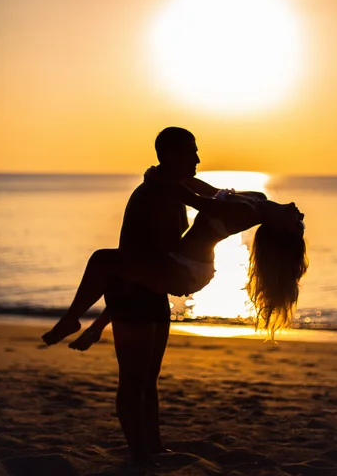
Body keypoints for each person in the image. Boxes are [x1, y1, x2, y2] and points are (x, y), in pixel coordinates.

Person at [42, 130, 307, 462]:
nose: (301, 215)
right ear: (169, 155)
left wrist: (161, 180)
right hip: (164, 277)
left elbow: (203, 204)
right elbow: (205, 197)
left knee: (102, 261)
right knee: (142, 379)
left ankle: (72, 319)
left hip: (184, 271)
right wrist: (103, 323)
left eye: (297, 224)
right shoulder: (256, 200)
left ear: (280, 231)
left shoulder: (246, 211)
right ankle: (149, 449)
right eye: (192, 153)